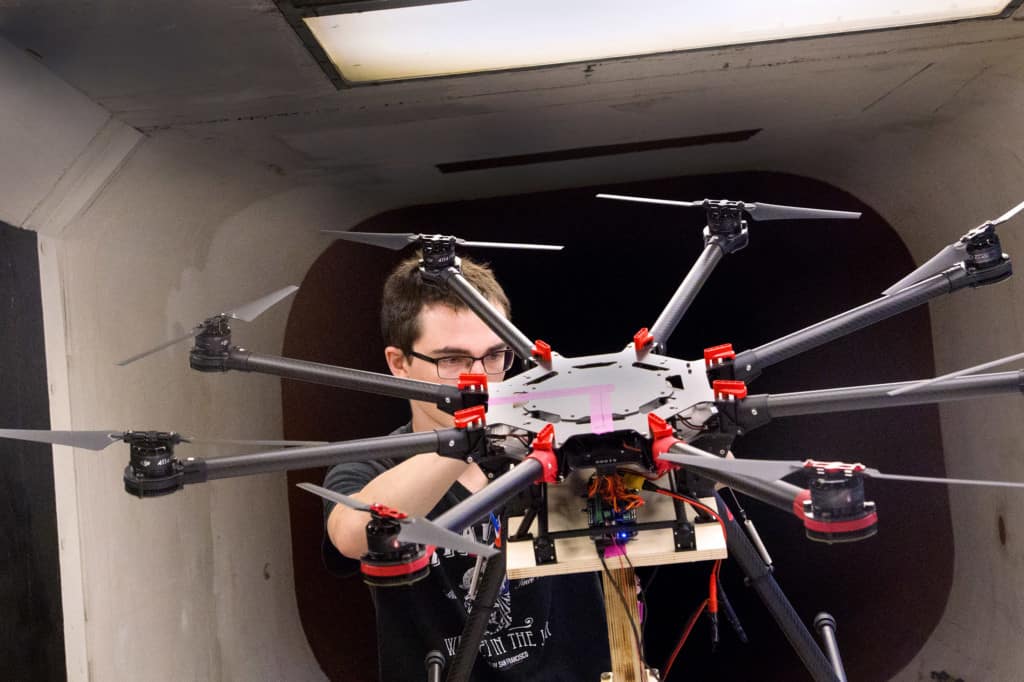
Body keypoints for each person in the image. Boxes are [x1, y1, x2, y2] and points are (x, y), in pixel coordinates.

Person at [321, 254, 610, 681]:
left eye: (495, 356)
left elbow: (696, 488)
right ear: (399, 363)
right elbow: (351, 533)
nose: (481, 380)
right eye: (452, 361)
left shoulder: (558, 439)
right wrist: (469, 436)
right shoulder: (369, 464)